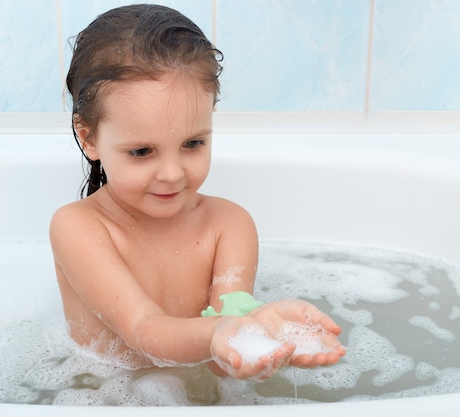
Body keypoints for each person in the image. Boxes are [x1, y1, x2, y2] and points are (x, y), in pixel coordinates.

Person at [50, 3, 346, 380]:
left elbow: (220, 361)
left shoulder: (229, 225)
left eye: (192, 144)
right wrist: (221, 334)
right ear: (88, 137)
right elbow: (143, 330)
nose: (172, 174)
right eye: (142, 152)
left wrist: (262, 331)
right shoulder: (79, 227)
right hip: (103, 395)